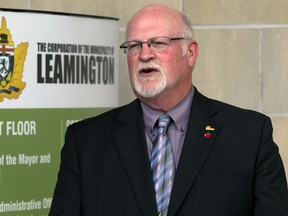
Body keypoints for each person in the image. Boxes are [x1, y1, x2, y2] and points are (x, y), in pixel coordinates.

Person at [49, 4, 288, 216]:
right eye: (133, 46)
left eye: (158, 42)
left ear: (191, 53)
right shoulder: (84, 142)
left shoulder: (250, 134)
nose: (144, 54)